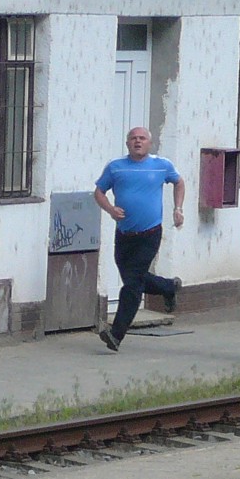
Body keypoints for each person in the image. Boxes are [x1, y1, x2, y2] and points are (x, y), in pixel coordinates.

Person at [93, 126, 184, 352]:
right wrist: (110, 209)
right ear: (127, 144)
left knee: (132, 284)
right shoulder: (116, 167)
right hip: (124, 235)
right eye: (133, 138)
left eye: (142, 138)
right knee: (135, 279)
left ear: (149, 143)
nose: (138, 141)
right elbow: (99, 192)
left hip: (149, 234)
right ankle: (169, 287)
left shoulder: (162, 165)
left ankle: (116, 334)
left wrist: (178, 208)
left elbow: (179, 182)